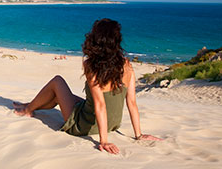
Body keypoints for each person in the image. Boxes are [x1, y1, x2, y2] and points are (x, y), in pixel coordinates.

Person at [13, 18, 162, 154]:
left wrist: (104, 141)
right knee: (65, 97)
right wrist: (139, 134)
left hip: (84, 126)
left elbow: (100, 104)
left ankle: (28, 109)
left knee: (57, 81)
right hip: (113, 124)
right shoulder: (127, 65)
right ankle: (30, 105)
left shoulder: (92, 66)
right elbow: (132, 103)